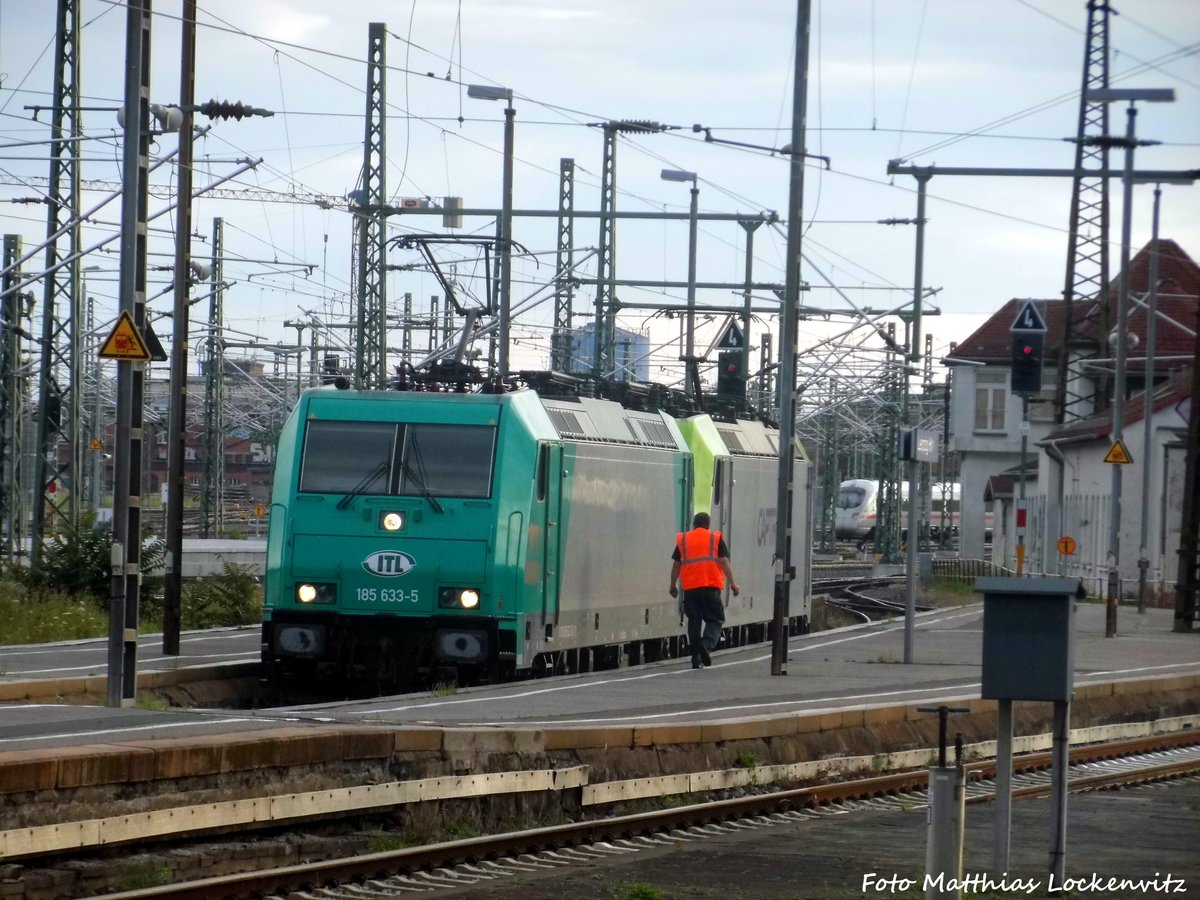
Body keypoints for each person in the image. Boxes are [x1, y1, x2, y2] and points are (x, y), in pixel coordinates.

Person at [669, 512, 739, 669]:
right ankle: (705, 646)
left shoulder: (684, 539)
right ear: (708, 525)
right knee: (715, 620)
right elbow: (724, 562)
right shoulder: (715, 538)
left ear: (694, 524)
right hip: (711, 587)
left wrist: (673, 585)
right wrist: (733, 584)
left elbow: (676, 565)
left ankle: (695, 658)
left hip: (691, 589)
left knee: (694, 621)